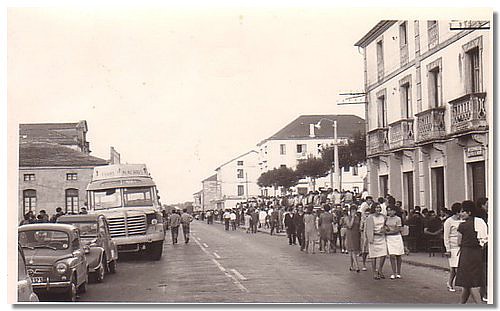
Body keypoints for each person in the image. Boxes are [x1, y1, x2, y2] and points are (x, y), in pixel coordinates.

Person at [455, 200, 487, 304]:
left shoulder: (462, 226)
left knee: (470, 282)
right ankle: (461, 304)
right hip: (477, 253)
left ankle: (479, 305)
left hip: (466, 254)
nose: (461, 214)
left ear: (469, 212)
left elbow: (459, 242)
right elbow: (484, 240)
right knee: (468, 282)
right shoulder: (480, 223)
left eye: (463, 211)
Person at [443, 202, 464, 292]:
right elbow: (446, 236)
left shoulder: (463, 220)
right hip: (453, 247)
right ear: (457, 212)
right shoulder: (449, 221)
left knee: (455, 268)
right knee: (455, 268)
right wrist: (448, 249)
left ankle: (450, 283)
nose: (462, 213)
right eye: (461, 211)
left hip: (462, 246)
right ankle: (462, 285)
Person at [366, 204, 388, 280]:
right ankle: (374, 272)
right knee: (374, 256)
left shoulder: (383, 217)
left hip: (382, 237)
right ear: (373, 209)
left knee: (384, 254)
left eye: (379, 207)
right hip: (373, 238)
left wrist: (384, 229)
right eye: (376, 208)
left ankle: (380, 269)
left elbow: (386, 225)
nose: (378, 209)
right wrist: (372, 235)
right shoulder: (370, 217)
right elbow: (368, 229)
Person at [385, 205, 405, 279]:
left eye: (391, 210)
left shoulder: (398, 219)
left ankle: (399, 272)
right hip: (389, 239)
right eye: (388, 210)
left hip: (396, 237)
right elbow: (385, 226)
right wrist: (386, 229)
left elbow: (398, 229)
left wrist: (388, 232)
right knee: (392, 255)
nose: (390, 212)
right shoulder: (386, 218)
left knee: (398, 255)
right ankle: (394, 272)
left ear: (395, 211)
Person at [345, 205, 361, 272]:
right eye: (352, 210)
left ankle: (351, 266)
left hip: (356, 234)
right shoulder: (347, 217)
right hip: (350, 234)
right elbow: (350, 226)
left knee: (353, 251)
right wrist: (353, 218)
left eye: (355, 210)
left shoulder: (358, 218)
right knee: (353, 250)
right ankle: (357, 266)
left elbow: (359, 226)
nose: (353, 212)